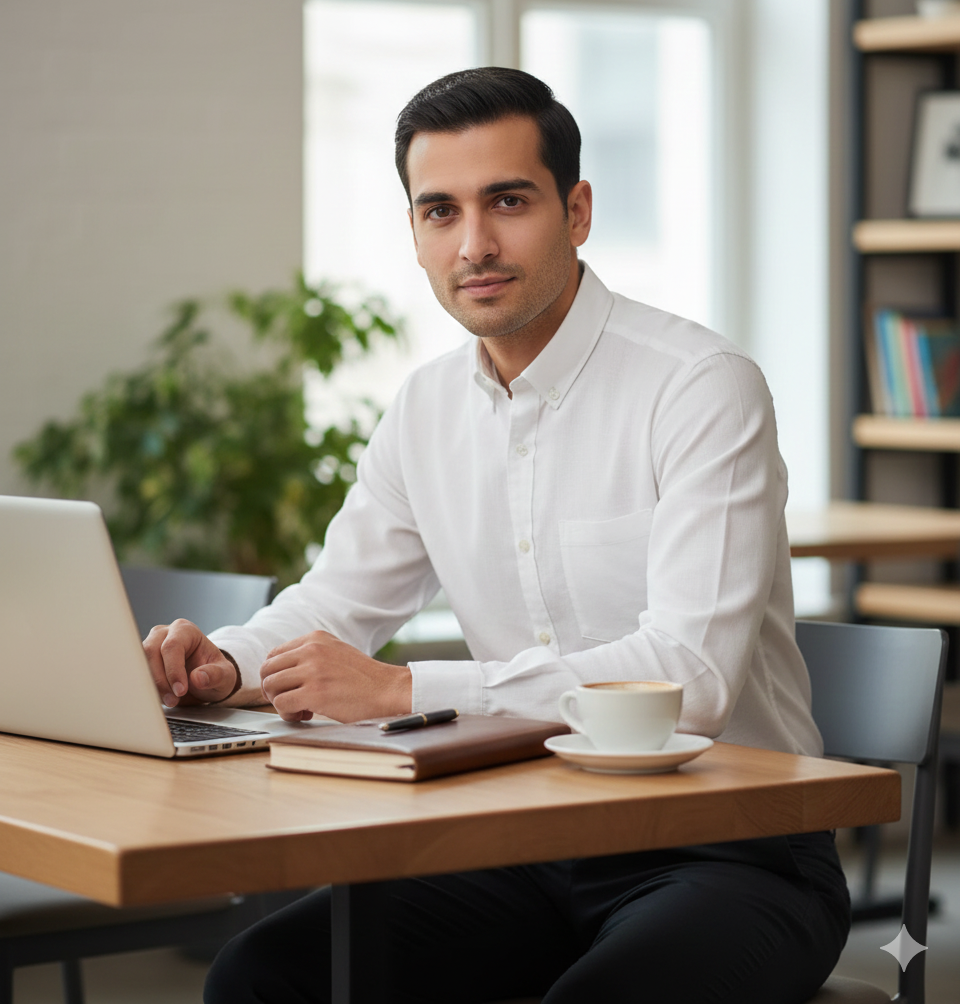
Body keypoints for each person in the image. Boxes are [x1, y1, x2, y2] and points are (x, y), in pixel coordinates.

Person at [145, 68, 850, 1004]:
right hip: (523, 837)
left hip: (729, 848)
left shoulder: (699, 385)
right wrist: (226, 666)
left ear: (578, 210)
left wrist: (406, 690)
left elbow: (692, 678)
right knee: (264, 978)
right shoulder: (426, 407)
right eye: (440, 211)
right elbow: (336, 602)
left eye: (507, 202)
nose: (474, 244)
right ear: (414, 232)